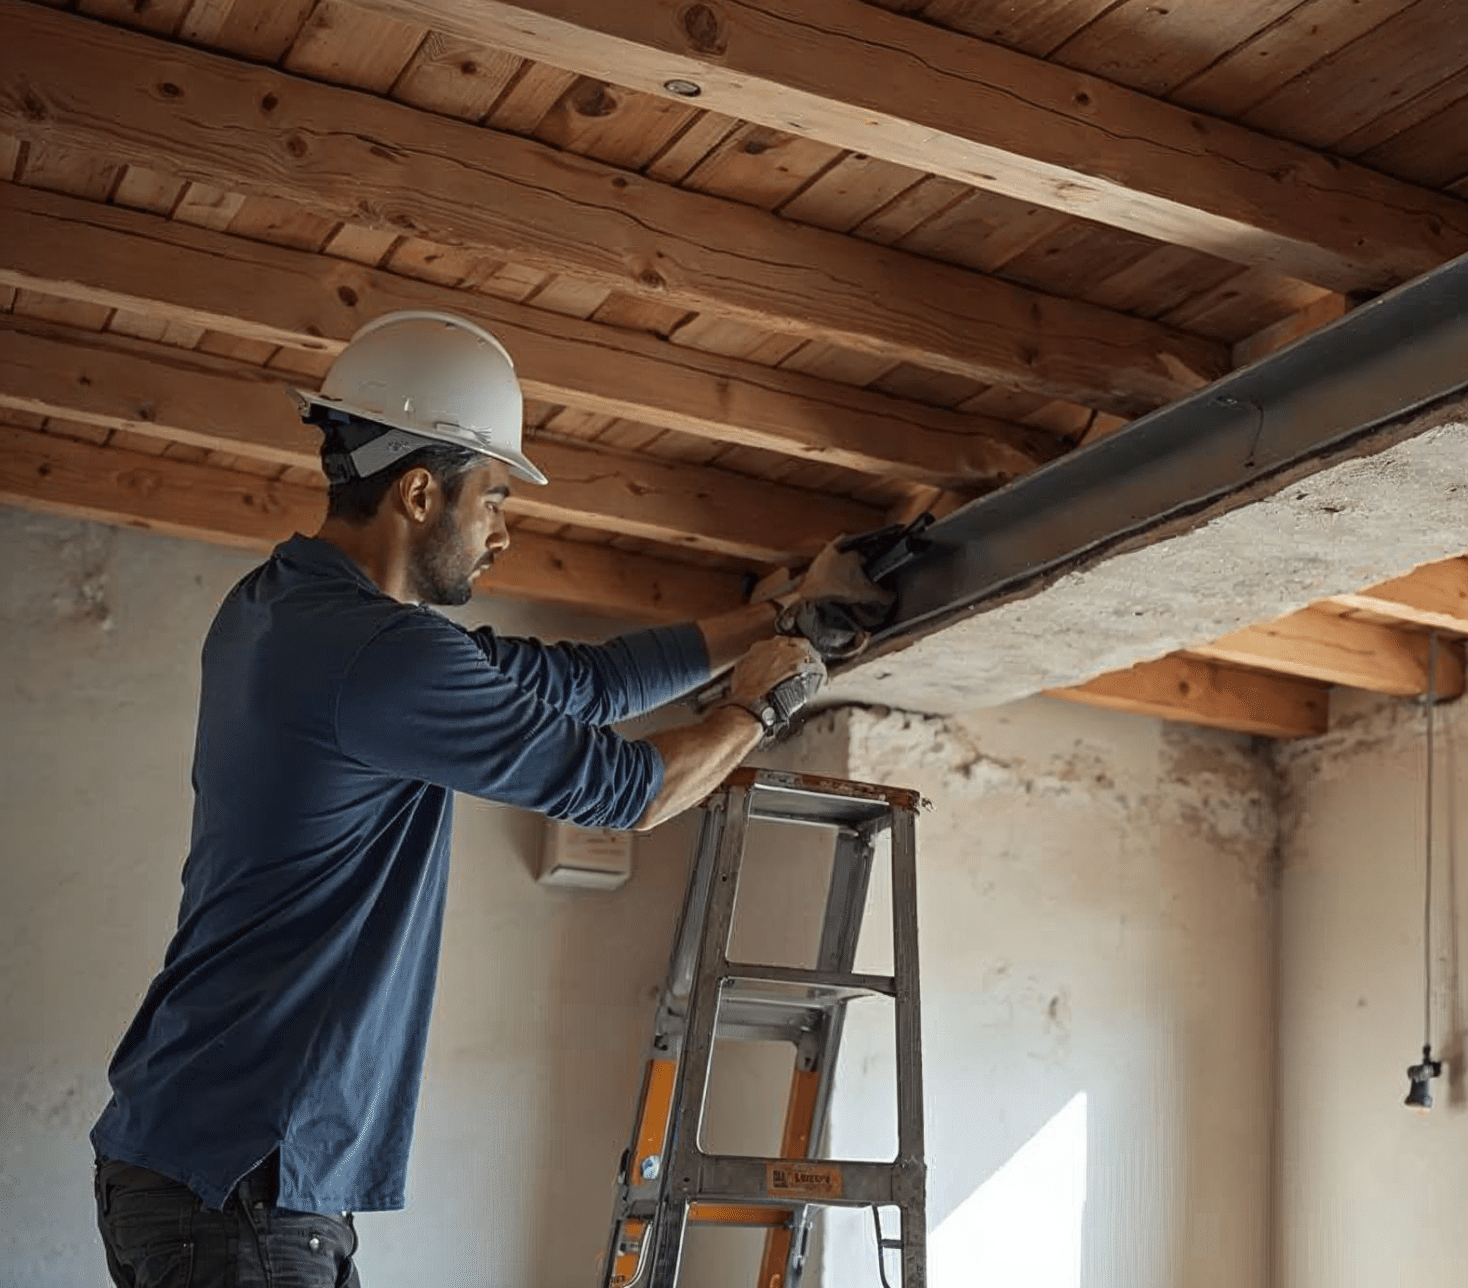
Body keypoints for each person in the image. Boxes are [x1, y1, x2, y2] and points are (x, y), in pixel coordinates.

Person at [88, 311, 880, 1287]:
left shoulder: (275, 608)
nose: (502, 531)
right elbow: (628, 789)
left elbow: (584, 682)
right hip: (249, 1178)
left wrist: (778, 614)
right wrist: (762, 702)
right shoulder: (383, 656)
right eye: (494, 496)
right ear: (420, 490)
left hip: (199, 1159)